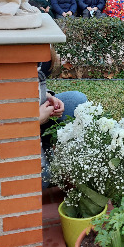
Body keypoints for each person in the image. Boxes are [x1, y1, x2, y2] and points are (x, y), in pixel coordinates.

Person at [39, 49, 87, 189]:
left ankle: (50, 146)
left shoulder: (42, 47)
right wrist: (35, 119)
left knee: (77, 100)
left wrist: (48, 96)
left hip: (38, 108)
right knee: (44, 177)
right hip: (23, 124)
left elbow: (35, 85)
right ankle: (45, 152)